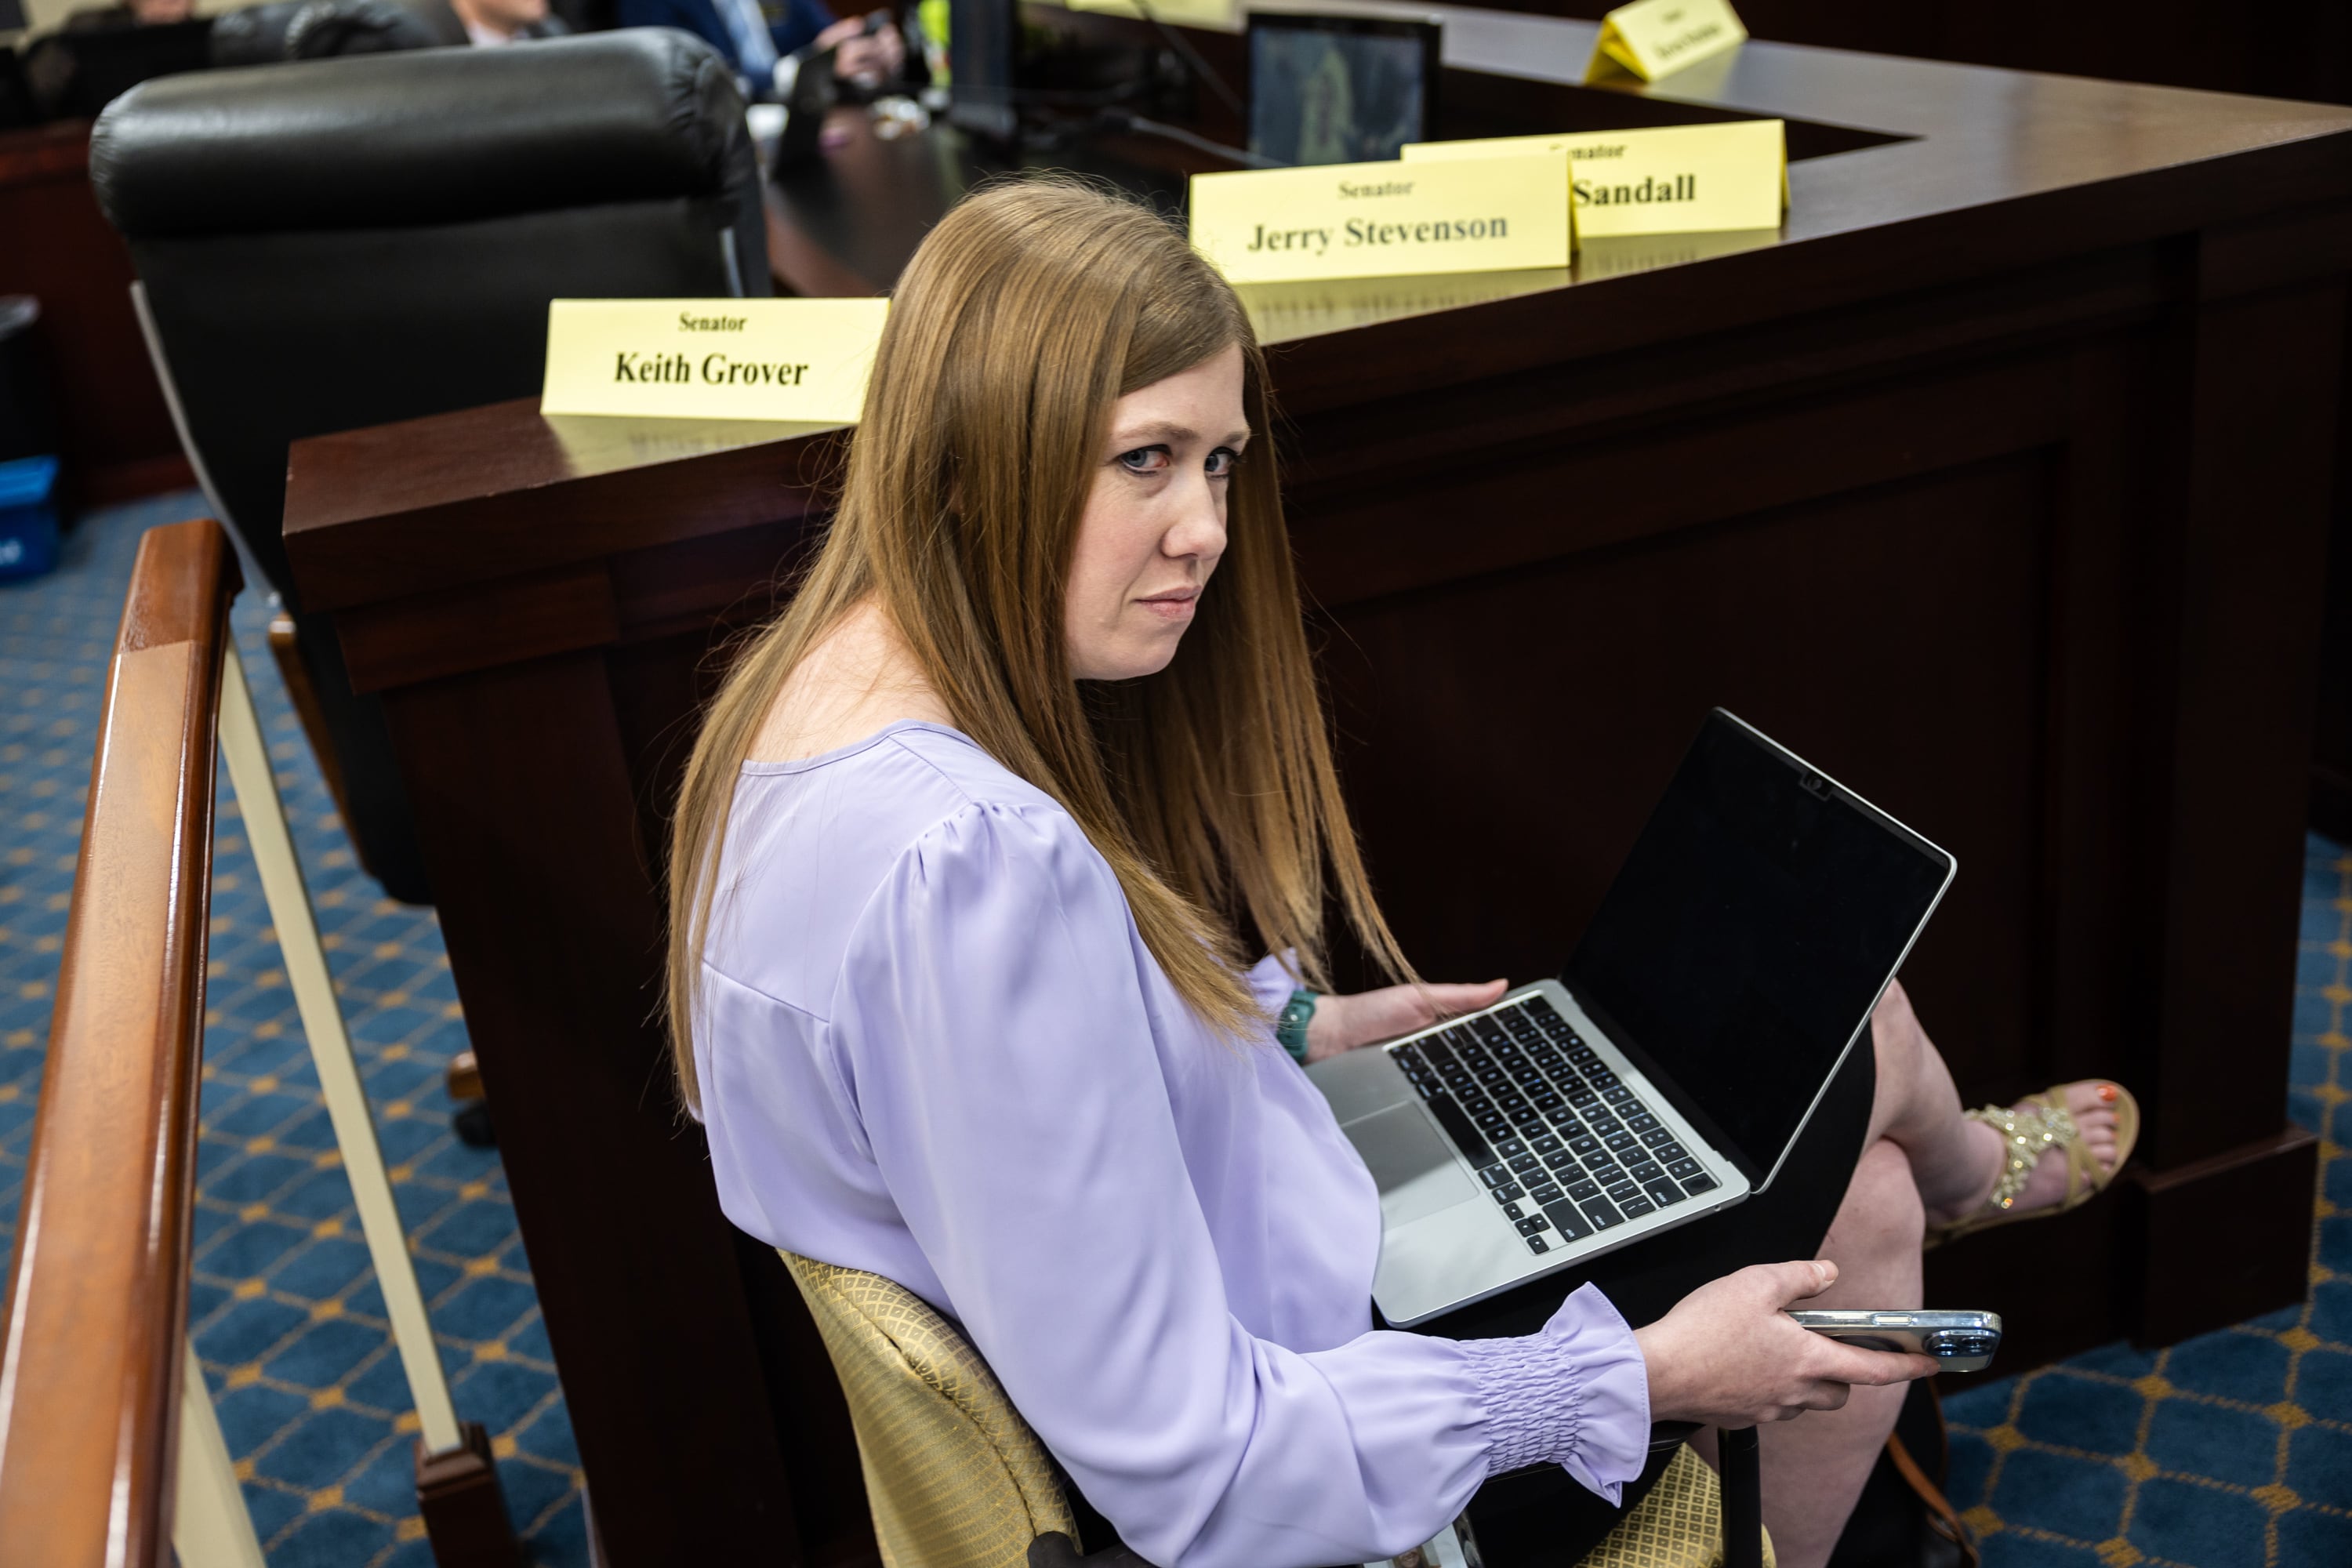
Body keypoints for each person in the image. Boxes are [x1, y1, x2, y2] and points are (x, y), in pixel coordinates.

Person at [665, 177, 2140, 1568]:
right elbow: (1205, 1471)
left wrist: (1276, 1036)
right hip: (1335, 1471)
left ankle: (1932, 1194)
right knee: (1853, 1036)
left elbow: (982, 1119)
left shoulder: (798, 720)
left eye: (1221, 461)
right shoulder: (973, 866)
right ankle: (1968, 1175)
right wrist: (1629, 1377)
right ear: (979, 447)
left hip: (1269, 1279)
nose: (1207, 533)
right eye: (1145, 461)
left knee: (1856, 1191)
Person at [613, 0, 901, 97]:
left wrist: (867, 48)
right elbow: (685, 86)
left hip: (804, 135)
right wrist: (802, 70)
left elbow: (828, 36)